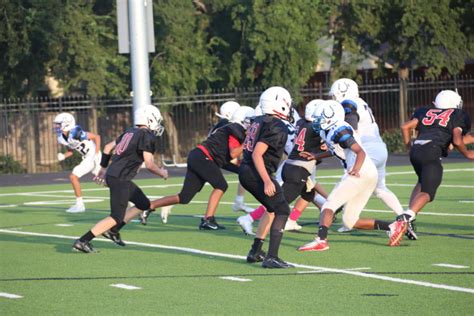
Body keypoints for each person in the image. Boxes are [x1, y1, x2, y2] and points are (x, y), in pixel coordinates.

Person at [298, 100, 408, 252]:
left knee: (329, 205)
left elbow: (360, 151)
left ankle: (320, 240)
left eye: (319, 118)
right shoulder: (331, 129)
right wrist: (316, 155)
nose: (316, 122)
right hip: (368, 174)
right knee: (350, 221)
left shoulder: (340, 130)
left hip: (360, 172)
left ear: (330, 117)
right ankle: (392, 226)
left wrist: (355, 169)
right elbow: (336, 150)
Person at [128, 106, 255, 231]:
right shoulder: (234, 130)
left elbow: (223, 160)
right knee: (221, 185)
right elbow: (233, 153)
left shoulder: (231, 129)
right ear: (244, 120)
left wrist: (240, 168)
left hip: (199, 157)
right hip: (202, 157)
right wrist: (247, 143)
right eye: (252, 121)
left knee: (184, 197)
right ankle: (208, 220)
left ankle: (149, 206)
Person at [72, 105, 168, 253]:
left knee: (143, 204)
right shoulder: (147, 136)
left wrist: (103, 168)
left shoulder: (130, 131)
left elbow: (107, 147)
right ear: (150, 119)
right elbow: (149, 164)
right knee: (116, 216)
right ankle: (83, 240)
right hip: (120, 178)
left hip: (115, 175)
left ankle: (113, 231)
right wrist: (162, 172)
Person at [237, 100, 328, 235]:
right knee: (279, 202)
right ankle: (249, 219)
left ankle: (292, 219)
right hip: (296, 163)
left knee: (308, 192)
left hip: (293, 161)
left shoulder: (298, 123)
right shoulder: (286, 125)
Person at [329, 78, 405, 234]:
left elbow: (352, 126)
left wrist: (345, 139)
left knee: (350, 179)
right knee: (380, 189)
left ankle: (335, 213)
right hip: (380, 148)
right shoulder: (361, 101)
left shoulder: (348, 104)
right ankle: (404, 218)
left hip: (367, 151)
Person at [399, 90, 473, 228]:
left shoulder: (424, 111)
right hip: (431, 151)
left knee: (422, 181)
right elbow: (457, 140)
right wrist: (467, 153)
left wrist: (409, 148)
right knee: (428, 192)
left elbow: (405, 126)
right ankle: (406, 217)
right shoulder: (458, 115)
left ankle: (409, 217)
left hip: (417, 150)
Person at [239, 86, 294, 269]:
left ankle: (255, 251)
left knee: (271, 209)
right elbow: (257, 154)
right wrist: (267, 180)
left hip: (247, 170)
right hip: (256, 172)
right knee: (283, 210)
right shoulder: (276, 125)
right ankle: (272, 257)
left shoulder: (259, 120)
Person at [54, 112, 101, 213]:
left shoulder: (75, 132)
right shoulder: (62, 138)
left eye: (58, 124)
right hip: (87, 157)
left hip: (93, 155)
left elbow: (96, 137)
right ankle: (130, 198)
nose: (56, 126)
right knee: (108, 181)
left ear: (66, 123)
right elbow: (71, 151)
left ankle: (80, 205)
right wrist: (63, 156)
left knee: (73, 176)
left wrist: (97, 153)